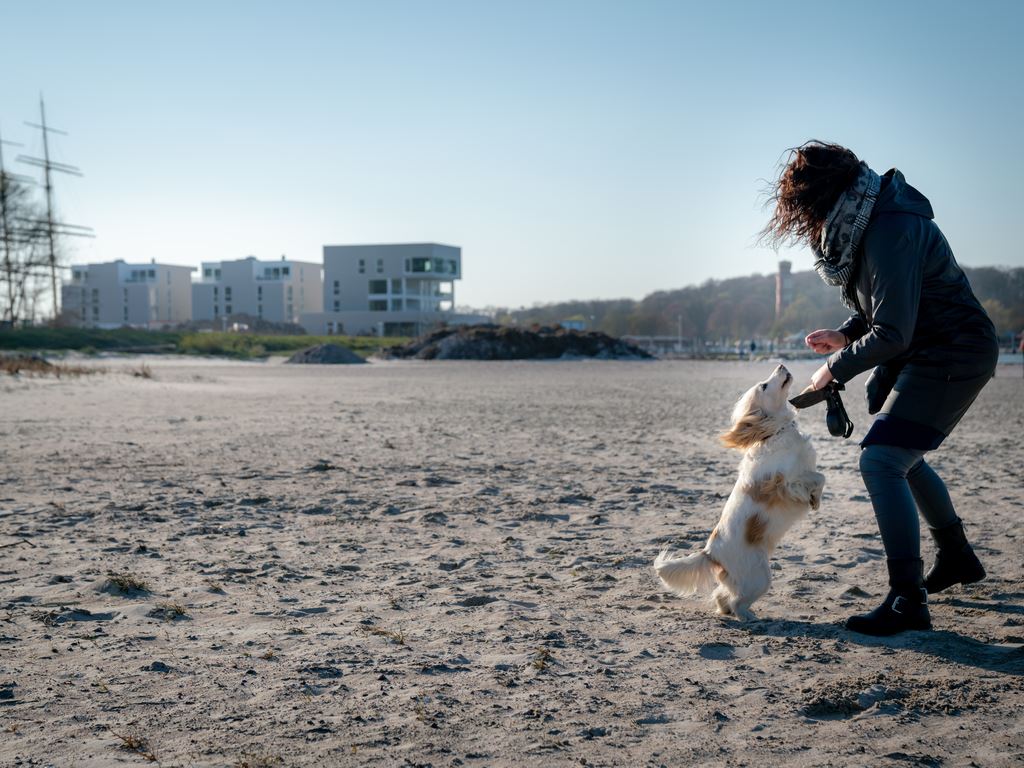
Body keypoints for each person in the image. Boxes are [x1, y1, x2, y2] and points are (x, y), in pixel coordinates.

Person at [761, 141, 999, 636]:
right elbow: (886, 305)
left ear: (822, 196)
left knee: (881, 459)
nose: (803, 219)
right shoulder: (873, 217)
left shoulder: (889, 225)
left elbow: (893, 331)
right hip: (934, 350)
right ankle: (955, 556)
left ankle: (907, 599)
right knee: (899, 455)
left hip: (954, 351)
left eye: (801, 205)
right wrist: (847, 335)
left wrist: (834, 369)